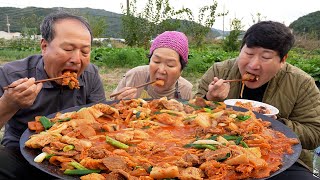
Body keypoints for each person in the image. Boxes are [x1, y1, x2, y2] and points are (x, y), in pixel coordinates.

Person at [195, 21, 320, 179]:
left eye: (266, 57)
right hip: (211, 151)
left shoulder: (301, 83)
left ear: (282, 60)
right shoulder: (219, 71)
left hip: (279, 158)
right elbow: (189, 117)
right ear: (240, 50)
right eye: (248, 53)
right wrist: (210, 99)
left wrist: (276, 125)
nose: (253, 65)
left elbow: (315, 134)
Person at [0, 12, 106, 179]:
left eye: (85, 52)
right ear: (44, 46)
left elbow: (102, 122)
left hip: (78, 152)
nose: (77, 60)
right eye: (68, 49)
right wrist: (8, 103)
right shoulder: (12, 74)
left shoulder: (90, 74)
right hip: (22, 152)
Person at [112, 31, 193, 100]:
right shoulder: (135, 76)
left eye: (170, 65)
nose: (161, 70)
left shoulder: (185, 90)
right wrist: (117, 101)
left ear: (181, 70)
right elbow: (109, 107)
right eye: (156, 61)